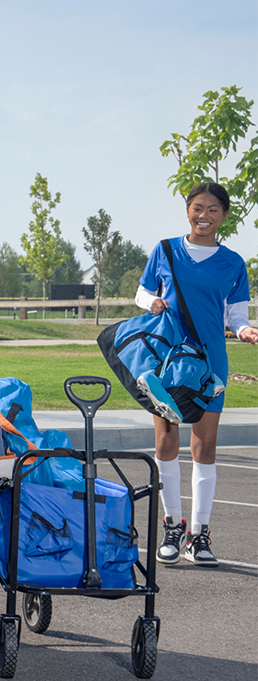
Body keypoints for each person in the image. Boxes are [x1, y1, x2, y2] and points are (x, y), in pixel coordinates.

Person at [135, 182, 257, 568]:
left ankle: (199, 534)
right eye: (198, 208)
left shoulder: (233, 263)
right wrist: (152, 302)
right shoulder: (165, 250)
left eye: (213, 210)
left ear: (224, 215)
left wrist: (243, 330)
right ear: (187, 210)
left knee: (204, 446)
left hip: (210, 361)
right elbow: (141, 292)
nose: (204, 216)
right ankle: (173, 526)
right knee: (166, 440)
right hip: (167, 358)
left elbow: (236, 313)